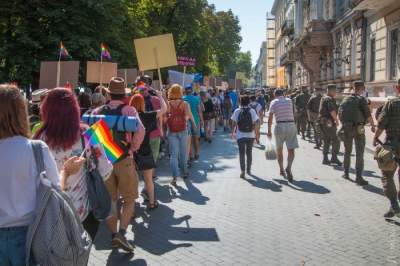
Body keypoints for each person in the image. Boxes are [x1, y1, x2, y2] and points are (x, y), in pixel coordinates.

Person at [0, 84, 84, 265]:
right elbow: (55, 194)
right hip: (31, 236)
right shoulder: (36, 149)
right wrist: (66, 172)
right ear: (21, 113)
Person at [34, 88, 113, 240]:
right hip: (83, 215)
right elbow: (105, 171)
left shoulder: (38, 139)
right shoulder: (88, 134)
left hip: (49, 215)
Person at [92, 77, 145, 252]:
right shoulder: (129, 110)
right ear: (123, 94)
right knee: (129, 198)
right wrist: (133, 147)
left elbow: (89, 135)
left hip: (103, 162)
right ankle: (122, 233)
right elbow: (140, 130)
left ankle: (114, 235)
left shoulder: (97, 111)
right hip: (124, 159)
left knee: (110, 201)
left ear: (109, 93)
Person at [129, 90, 167, 210]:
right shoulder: (147, 116)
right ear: (142, 104)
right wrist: (160, 96)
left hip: (131, 153)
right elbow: (164, 109)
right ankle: (151, 202)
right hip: (145, 151)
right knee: (148, 179)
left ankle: (132, 208)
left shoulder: (127, 118)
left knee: (132, 181)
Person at [338, 80, 376, 185]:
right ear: (362, 89)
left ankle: (346, 173)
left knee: (347, 151)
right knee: (359, 153)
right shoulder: (362, 100)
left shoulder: (345, 99)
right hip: (359, 129)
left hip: (346, 128)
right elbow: (368, 114)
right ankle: (359, 178)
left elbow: (340, 114)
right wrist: (373, 126)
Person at [373, 79, 400, 218]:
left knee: (387, 174)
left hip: (393, 143)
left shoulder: (392, 103)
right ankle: (394, 206)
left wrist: (375, 137)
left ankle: (394, 205)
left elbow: (382, 123)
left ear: (397, 87)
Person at [267, 89, 299, 182]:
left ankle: (281, 169)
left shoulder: (274, 102)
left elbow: (270, 117)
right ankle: (288, 167)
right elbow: (295, 113)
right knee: (291, 149)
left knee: (279, 149)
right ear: (283, 94)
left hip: (280, 126)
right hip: (291, 125)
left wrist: (269, 131)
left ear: (275, 95)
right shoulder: (290, 101)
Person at [167, 84, 195, 186]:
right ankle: (185, 172)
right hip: (183, 130)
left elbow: (165, 119)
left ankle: (174, 177)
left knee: (173, 155)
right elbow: (187, 116)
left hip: (171, 131)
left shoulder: (168, 104)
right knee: (183, 154)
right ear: (180, 92)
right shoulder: (185, 104)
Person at [137, 83, 163, 178]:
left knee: (152, 156)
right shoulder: (137, 99)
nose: (143, 91)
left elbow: (160, 115)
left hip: (151, 132)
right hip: (144, 134)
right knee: (148, 156)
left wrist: (161, 130)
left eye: (144, 89)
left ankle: (150, 176)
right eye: (141, 89)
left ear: (148, 89)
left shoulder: (154, 99)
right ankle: (149, 176)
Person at [231, 95, 259, 179]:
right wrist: (256, 134)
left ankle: (242, 171)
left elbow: (233, 123)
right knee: (249, 153)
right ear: (249, 102)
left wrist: (233, 132)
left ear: (240, 102)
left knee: (241, 153)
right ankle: (248, 169)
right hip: (251, 135)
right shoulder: (252, 111)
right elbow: (256, 123)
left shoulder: (237, 111)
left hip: (240, 135)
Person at [319, 85, 342, 166]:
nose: (335, 93)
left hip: (323, 121)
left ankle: (325, 158)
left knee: (326, 140)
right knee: (336, 139)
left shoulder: (323, 98)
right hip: (329, 122)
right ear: (331, 90)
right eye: (335, 91)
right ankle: (334, 158)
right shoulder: (329, 99)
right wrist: (336, 120)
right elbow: (332, 110)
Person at [183, 84, 203, 161]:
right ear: (192, 90)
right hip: (196, 121)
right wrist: (202, 120)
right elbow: (199, 111)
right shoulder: (196, 99)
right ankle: (197, 153)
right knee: (196, 138)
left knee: (189, 139)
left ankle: (190, 154)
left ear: (185, 91)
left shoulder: (183, 99)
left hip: (186, 121)